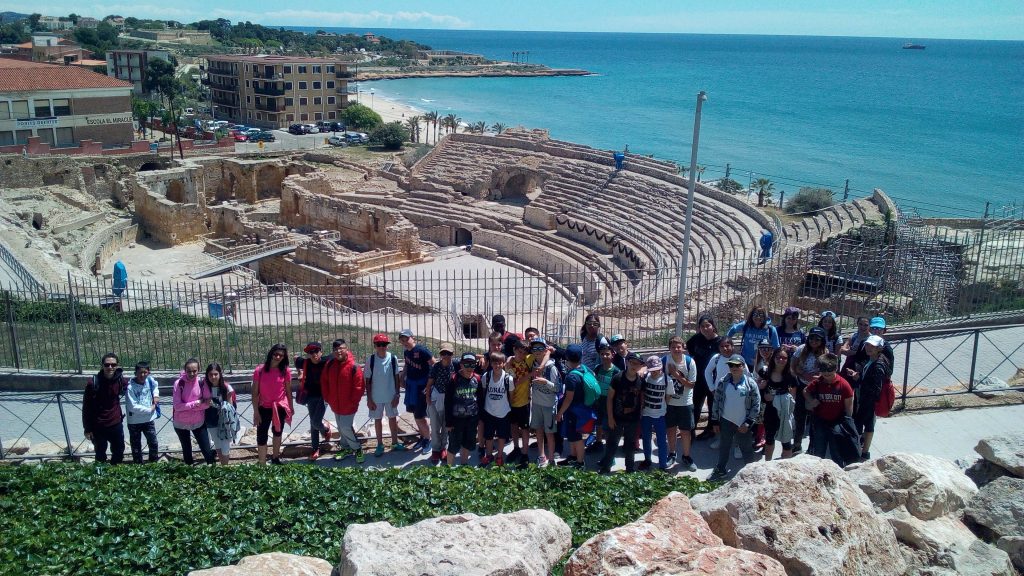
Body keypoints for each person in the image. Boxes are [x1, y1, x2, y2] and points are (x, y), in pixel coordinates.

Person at [709, 354, 760, 480]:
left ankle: (751, 473)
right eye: (731, 365)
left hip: (743, 423)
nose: (734, 368)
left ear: (743, 366)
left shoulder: (750, 384)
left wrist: (748, 423)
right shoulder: (723, 382)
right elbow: (716, 401)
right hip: (726, 420)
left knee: (746, 448)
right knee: (724, 446)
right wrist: (715, 421)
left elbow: (756, 405)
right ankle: (721, 469)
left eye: (738, 365)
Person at [803, 353, 855, 466]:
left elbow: (849, 409)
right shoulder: (818, 382)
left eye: (830, 374)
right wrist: (811, 401)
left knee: (836, 452)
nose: (827, 377)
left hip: (837, 422)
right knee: (818, 451)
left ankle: (838, 469)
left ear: (836, 369)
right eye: (824, 375)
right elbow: (806, 391)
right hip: (821, 420)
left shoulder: (844, 385)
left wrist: (846, 425)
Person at [599, 352, 645, 474]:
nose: (634, 366)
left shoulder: (641, 381)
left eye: (637, 364)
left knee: (630, 445)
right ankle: (606, 468)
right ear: (627, 363)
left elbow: (642, 398)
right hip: (617, 418)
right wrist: (610, 417)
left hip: (633, 419)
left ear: (640, 366)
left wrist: (640, 414)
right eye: (632, 363)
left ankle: (629, 469)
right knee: (612, 444)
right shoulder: (617, 378)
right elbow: (609, 399)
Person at [321, 339, 366, 464]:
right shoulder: (330, 364)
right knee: (341, 428)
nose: (338, 351)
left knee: (346, 427)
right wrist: (328, 398)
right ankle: (346, 448)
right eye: (335, 349)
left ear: (346, 349)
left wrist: (353, 402)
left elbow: (359, 387)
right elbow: (324, 381)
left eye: (341, 348)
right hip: (335, 404)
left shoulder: (354, 367)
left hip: (349, 405)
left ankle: (357, 448)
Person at [703, 337, 750, 450]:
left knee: (738, 418)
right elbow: (707, 372)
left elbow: (747, 375)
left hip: (737, 395)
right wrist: (712, 388)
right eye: (722, 346)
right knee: (721, 419)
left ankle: (738, 445)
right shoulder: (716, 358)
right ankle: (721, 439)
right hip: (721, 395)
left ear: (732, 346)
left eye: (727, 345)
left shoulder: (738, 359)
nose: (725, 348)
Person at [848, 335, 889, 460]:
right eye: (867, 345)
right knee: (867, 425)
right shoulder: (873, 360)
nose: (868, 348)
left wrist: (858, 379)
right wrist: (858, 376)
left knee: (862, 424)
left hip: (868, 401)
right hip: (866, 399)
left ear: (879, 348)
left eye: (873, 346)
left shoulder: (878, 365)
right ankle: (864, 452)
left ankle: (860, 452)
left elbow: (875, 387)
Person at [83, 352, 128, 464]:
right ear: (102, 366)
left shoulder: (120, 380)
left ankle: (115, 471)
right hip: (98, 425)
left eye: (113, 365)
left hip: (115, 423)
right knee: (100, 453)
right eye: (107, 365)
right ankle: (101, 473)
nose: (110, 367)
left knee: (119, 451)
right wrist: (87, 428)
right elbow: (86, 407)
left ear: (117, 366)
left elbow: (134, 389)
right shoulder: (93, 383)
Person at [252, 344, 294, 465]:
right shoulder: (259, 370)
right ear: (271, 353)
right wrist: (256, 412)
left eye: (281, 355)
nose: (278, 357)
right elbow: (254, 393)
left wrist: (291, 407)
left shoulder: (285, 371)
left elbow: (288, 391)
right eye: (276, 354)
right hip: (263, 407)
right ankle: (262, 462)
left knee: (277, 432)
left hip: (279, 407)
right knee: (261, 435)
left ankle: (275, 458)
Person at [791, 326, 829, 453]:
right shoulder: (801, 349)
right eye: (812, 338)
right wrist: (803, 374)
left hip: (816, 388)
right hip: (802, 386)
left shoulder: (825, 352)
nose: (814, 341)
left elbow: (828, 371)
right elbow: (793, 366)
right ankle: (797, 444)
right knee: (800, 417)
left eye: (817, 339)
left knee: (815, 418)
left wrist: (819, 377)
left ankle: (812, 446)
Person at [365, 333, 404, 456]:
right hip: (376, 397)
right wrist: (369, 399)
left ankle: (394, 443)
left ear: (387, 346)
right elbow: (367, 380)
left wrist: (397, 395)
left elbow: (397, 378)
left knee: (392, 418)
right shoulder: (371, 360)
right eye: (379, 344)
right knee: (377, 420)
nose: (382, 347)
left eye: (384, 344)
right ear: (375, 346)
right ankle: (380, 444)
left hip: (391, 395)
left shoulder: (393, 358)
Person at [172, 358, 216, 465]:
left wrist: (189, 406)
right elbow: (177, 406)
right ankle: (189, 471)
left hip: (198, 422)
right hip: (181, 423)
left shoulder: (202, 383)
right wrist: (197, 403)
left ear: (198, 370)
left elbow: (207, 403)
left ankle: (213, 469)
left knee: (206, 449)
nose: (192, 374)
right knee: (186, 450)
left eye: (194, 371)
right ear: (185, 370)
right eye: (189, 371)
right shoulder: (179, 383)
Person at [664, 336, 698, 472]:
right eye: (673, 347)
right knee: (671, 429)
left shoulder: (690, 362)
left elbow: (691, 385)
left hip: (685, 403)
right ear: (669, 348)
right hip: (669, 403)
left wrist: (676, 375)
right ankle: (672, 454)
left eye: (679, 347)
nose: (676, 349)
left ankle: (686, 456)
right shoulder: (665, 360)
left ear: (683, 347)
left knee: (685, 431)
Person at [445, 353, 484, 466]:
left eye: (472, 365)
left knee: (468, 443)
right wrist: (448, 422)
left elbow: (480, 399)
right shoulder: (454, 379)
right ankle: (448, 467)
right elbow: (447, 402)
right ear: (461, 365)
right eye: (466, 364)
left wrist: (480, 418)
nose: (469, 368)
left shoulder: (477, 379)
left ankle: (464, 465)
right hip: (456, 419)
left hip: (472, 418)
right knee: (453, 445)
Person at [399, 329, 434, 455]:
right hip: (411, 386)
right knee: (415, 413)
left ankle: (428, 440)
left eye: (407, 339)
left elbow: (434, 364)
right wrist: (402, 377)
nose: (405, 342)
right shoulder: (406, 352)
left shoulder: (422, 350)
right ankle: (423, 437)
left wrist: (430, 384)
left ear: (413, 338)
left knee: (420, 415)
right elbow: (407, 365)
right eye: (402, 340)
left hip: (422, 386)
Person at [759, 348, 797, 461]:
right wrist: (761, 387)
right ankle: (768, 465)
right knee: (769, 439)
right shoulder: (765, 373)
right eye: (778, 357)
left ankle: (785, 466)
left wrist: (775, 398)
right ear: (773, 358)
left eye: (784, 358)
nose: (781, 360)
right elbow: (758, 390)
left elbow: (793, 397)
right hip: (769, 412)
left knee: (786, 442)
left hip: (785, 413)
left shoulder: (791, 376)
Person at [296, 341, 332, 461]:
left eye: (316, 351)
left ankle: (326, 429)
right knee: (313, 423)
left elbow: (341, 354)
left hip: (324, 395)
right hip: (310, 395)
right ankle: (315, 449)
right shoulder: (305, 362)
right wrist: (299, 372)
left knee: (316, 422)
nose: (314, 354)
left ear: (321, 351)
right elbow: (296, 359)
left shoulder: (327, 360)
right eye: (311, 352)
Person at [686, 315, 719, 440]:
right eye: (702, 326)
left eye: (708, 325)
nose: (705, 328)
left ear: (713, 326)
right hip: (699, 377)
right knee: (695, 404)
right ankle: (691, 430)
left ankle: (710, 430)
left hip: (713, 379)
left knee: (712, 405)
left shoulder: (719, 342)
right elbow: (689, 345)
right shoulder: (697, 338)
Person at [529, 337, 561, 467]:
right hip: (536, 404)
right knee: (539, 431)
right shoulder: (533, 364)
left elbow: (557, 388)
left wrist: (545, 382)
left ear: (545, 350)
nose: (537, 351)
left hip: (548, 405)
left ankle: (551, 459)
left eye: (540, 348)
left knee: (550, 434)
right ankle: (541, 456)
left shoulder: (551, 368)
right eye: (534, 348)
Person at [556, 344, 588, 468]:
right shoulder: (583, 369)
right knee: (572, 435)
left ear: (567, 358)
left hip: (574, 410)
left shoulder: (571, 377)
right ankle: (573, 457)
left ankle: (580, 462)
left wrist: (560, 413)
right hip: (581, 409)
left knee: (577, 438)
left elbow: (568, 398)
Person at [480, 352, 515, 466]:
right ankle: (489, 455)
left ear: (504, 364)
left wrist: (507, 407)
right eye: (495, 363)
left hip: (503, 412)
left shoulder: (508, 379)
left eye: (500, 363)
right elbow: (484, 392)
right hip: (489, 411)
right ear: (491, 363)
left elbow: (511, 396)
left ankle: (499, 456)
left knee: (502, 436)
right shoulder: (486, 376)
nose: (497, 365)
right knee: (488, 436)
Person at [424, 342, 456, 465]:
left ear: (452, 354)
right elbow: (429, 383)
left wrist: (482, 357)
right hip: (435, 399)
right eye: (443, 353)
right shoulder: (436, 367)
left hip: (449, 400)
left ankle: (443, 448)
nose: (446, 356)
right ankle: (435, 449)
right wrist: (427, 398)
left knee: (446, 426)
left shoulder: (455, 365)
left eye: (448, 353)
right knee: (435, 426)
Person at [505, 339, 535, 468]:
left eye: (524, 352)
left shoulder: (528, 360)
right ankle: (516, 448)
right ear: (514, 350)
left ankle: (525, 453)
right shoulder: (509, 364)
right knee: (513, 426)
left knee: (525, 429)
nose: (521, 355)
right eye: (519, 352)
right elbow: (515, 382)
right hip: (512, 401)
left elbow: (545, 353)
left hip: (524, 402)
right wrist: (530, 374)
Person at [124, 361, 159, 464]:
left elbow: (155, 385)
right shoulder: (130, 387)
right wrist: (150, 409)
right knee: (136, 446)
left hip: (148, 420)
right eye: (140, 373)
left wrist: (156, 395)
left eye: (145, 372)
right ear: (135, 373)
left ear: (149, 373)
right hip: (134, 421)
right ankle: (138, 465)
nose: (143, 375)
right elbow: (132, 406)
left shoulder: (149, 380)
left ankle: (153, 463)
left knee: (153, 443)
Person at [639, 356, 670, 471]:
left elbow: (668, 396)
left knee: (661, 440)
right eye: (652, 370)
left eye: (656, 369)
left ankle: (663, 464)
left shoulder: (667, 379)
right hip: (646, 414)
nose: (654, 372)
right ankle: (647, 459)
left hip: (660, 415)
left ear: (661, 368)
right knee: (646, 438)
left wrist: (663, 408)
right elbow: (642, 393)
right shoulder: (646, 378)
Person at [204, 363, 237, 465]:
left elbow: (230, 407)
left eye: (215, 374)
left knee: (225, 445)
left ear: (220, 374)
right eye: (210, 374)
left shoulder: (227, 387)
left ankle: (225, 466)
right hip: (210, 419)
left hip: (224, 420)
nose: (213, 377)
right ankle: (223, 466)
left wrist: (215, 405)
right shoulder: (205, 387)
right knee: (217, 443)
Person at [591, 344, 621, 454]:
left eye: (607, 354)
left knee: (608, 425)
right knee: (598, 422)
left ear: (612, 355)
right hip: (599, 401)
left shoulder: (616, 372)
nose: (604, 356)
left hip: (610, 402)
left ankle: (610, 448)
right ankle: (598, 442)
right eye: (602, 354)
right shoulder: (598, 368)